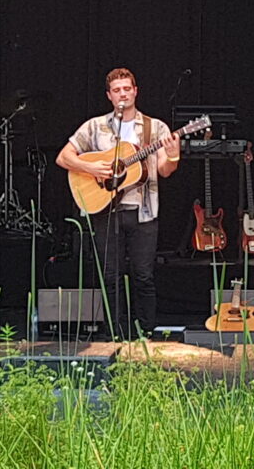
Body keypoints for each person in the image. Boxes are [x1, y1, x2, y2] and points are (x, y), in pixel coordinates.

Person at [56, 67, 181, 338]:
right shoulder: (94, 126)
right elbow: (64, 157)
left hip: (143, 211)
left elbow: (163, 170)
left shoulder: (155, 127)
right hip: (105, 210)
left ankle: (147, 333)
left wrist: (172, 157)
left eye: (127, 88)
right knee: (110, 276)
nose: (122, 94)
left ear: (135, 91)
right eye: (117, 90)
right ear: (109, 96)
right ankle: (113, 334)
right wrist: (91, 169)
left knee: (143, 275)